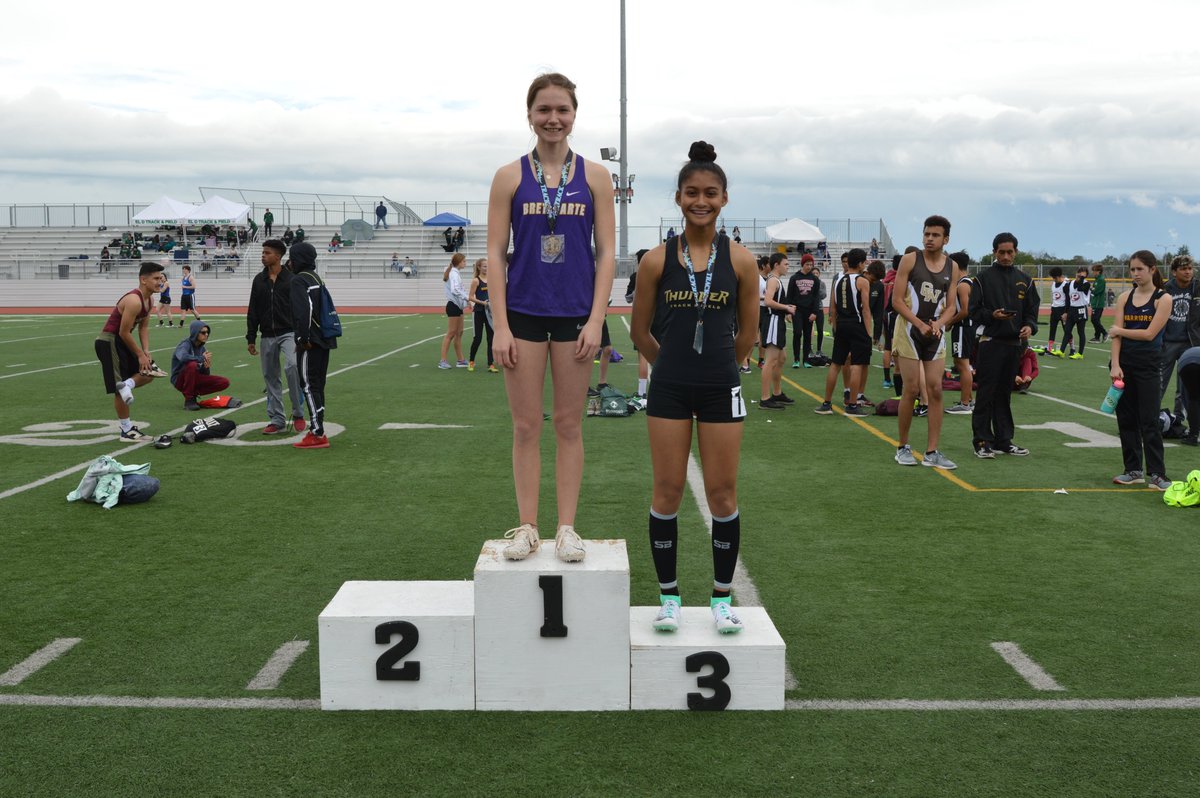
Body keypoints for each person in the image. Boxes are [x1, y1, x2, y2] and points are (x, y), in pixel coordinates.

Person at [485, 72, 616, 562]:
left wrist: (596, 319)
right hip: (521, 313)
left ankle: (566, 527)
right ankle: (526, 526)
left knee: (568, 424)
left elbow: (606, 254)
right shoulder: (509, 176)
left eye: (562, 110)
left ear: (574, 115)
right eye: (544, 110)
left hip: (575, 315)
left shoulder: (596, 177)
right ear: (530, 115)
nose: (553, 119)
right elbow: (495, 254)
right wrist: (499, 324)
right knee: (525, 426)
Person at [629, 141, 758, 634]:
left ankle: (722, 598)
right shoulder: (656, 261)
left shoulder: (742, 261)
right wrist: (672, 367)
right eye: (691, 193)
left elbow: (748, 331)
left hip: (721, 385)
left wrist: (724, 363)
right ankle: (669, 598)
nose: (700, 201)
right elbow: (640, 332)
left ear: (724, 198)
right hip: (669, 389)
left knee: (723, 493)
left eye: (710, 193)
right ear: (678, 198)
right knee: (667, 491)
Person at [891, 215, 961, 469]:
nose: (929, 239)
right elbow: (896, 300)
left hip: (934, 333)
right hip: (910, 330)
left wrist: (939, 324)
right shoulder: (911, 260)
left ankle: (932, 451)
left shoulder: (951, 266)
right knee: (911, 389)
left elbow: (952, 306)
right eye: (926, 234)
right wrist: (919, 323)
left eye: (935, 235)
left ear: (946, 239)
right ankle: (903, 446)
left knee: (935, 389)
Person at [969, 233, 1039, 458]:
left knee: (1004, 395)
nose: (1006, 256)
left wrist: (1030, 326)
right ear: (994, 252)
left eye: (1010, 252)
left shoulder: (1025, 280)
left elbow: (1031, 311)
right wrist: (993, 315)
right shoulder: (982, 278)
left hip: (1014, 345)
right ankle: (981, 441)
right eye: (1002, 252)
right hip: (990, 343)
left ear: (1016, 252)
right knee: (986, 394)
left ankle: (1003, 440)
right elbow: (973, 312)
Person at [1109, 251, 1173, 489]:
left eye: (1140, 269)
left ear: (1152, 269)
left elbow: (1149, 334)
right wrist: (1115, 365)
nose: (1135, 274)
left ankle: (1157, 475)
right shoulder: (1125, 297)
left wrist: (1120, 331)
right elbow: (1115, 337)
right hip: (1124, 365)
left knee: (1149, 421)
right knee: (1126, 419)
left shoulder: (1163, 299)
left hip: (1148, 365)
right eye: (1132, 269)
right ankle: (1133, 470)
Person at [94, 262, 165, 441]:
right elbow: (123, 331)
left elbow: (143, 328)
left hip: (122, 341)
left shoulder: (150, 300)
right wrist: (139, 354)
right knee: (119, 389)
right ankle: (126, 430)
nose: (160, 282)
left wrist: (146, 351)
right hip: (109, 341)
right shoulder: (134, 300)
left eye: (161, 278)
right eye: (156, 278)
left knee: (149, 372)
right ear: (143, 279)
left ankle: (128, 385)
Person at [247, 239, 306, 435]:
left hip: (288, 332)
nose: (263, 255)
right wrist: (250, 337)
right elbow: (253, 309)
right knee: (271, 377)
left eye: (267, 253)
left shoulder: (291, 279)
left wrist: (301, 335)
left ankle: (298, 413)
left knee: (293, 366)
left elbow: (299, 309)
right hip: (266, 335)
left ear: (278, 256)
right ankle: (277, 419)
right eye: (262, 252)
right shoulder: (259, 280)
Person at [289, 242, 337, 449]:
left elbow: (304, 311)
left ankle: (317, 433)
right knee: (317, 385)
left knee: (308, 386)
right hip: (324, 338)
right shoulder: (316, 278)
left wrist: (302, 339)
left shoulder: (300, 280)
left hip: (311, 341)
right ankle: (318, 428)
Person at [814, 248, 873, 416]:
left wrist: (834, 327)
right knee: (856, 365)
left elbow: (833, 307)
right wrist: (869, 332)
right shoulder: (863, 281)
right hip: (857, 324)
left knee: (836, 364)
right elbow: (866, 310)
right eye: (865, 261)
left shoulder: (839, 279)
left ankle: (826, 403)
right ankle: (852, 405)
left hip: (841, 325)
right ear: (860, 263)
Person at [1160, 255, 1197, 418]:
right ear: (1174, 272)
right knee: (1159, 383)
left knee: (1185, 386)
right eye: (1183, 269)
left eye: (1190, 268)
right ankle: (1148, 418)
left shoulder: (1198, 287)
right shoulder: (1165, 289)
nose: (1188, 272)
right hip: (1167, 342)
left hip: (1190, 343)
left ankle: (1178, 419)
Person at [759, 253, 794, 410]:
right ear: (776, 265)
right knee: (771, 361)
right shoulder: (773, 280)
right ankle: (765, 398)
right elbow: (767, 301)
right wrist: (786, 308)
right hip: (773, 321)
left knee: (781, 358)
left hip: (777, 321)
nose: (788, 266)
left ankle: (777, 393)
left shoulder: (776, 280)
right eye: (785, 264)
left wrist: (785, 312)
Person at [170, 321, 230, 411]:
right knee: (192, 365)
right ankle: (189, 399)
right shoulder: (185, 344)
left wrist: (206, 367)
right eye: (203, 332)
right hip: (179, 379)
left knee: (224, 382)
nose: (206, 335)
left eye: (207, 332)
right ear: (195, 333)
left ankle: (192, 394)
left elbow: (205, 374)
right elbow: (183, 357)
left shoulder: (202, 348)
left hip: (193, 378)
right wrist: (201, 358)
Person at [945, 251, 976, 413]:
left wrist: (949, 322)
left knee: (963, 365)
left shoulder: (963, 284)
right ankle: (969, 400)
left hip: (964, 327)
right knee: (961, 364)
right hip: (963, 327)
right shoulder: (963, 282)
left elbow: (964, 311)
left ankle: (965, 404)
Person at [786, 254, 821, 367]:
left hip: (809, 312)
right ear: (802, 264)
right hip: (797, 311)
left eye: (811, 264)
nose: (809, 267)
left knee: (807, 335)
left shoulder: (815, 279)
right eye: (807, 264)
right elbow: (789, 296)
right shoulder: (794, 278)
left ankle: (806, 360)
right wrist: (788, 311)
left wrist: (815, 312)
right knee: (797, 333)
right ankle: (796, 359)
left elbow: (816, 297)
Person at [438, 253, 469, 369]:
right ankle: (443, 360)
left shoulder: (455, 272)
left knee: (459, 333)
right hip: (453, 306)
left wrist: (467, 301)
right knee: (451, 333)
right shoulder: (453, 273)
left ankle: (460, 360)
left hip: (458, 307)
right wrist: (468, 297)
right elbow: (455, 289)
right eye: (464, 261)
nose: (465, 263)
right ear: (459, 262)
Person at [467, 258, 496, 372]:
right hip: (479, 312)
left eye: (488, 266)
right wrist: (483, 303)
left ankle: (491, 364)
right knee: (477, 339)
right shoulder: (476, 280)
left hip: (489, 313)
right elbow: (470, 297)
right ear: (479, 267)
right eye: (484, 266)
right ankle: (471, 361)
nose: (486, 268)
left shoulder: (492, 279)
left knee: (491, 339)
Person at [1064, 265, 1091, 359]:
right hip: (1072, 309)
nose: (1080, 274)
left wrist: (1082, 278)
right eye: (1079, 272)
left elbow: (1080, 288)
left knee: (1080, 332)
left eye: (1083, 273)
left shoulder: (1087, 283)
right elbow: (1067, 295)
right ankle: (1062, 351)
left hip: (1081, 309)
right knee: (1067, 330)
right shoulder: (1071, 283)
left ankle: (1080, 353)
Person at [1044, 267, 1069, 357]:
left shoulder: (1065, 285)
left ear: (1060, 276)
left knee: (1066, 330)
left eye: (1055, 277)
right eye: (1053, 278)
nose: (1054, 279)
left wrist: (1066, 312)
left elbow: (1068, 300)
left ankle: (1072, 349)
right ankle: (1049, 349)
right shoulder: (1053, 284)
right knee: (1052, 329)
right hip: (1054, 310)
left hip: (1062, 310)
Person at [1089, 263, 1108, 342]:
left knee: (1094, 320)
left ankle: (1105, 333)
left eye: (1094, 271)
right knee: (1096, 320)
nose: (1093, 272)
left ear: (1098, 271)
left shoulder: (1101, 280)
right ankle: (1097, 337)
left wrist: (1091, 288)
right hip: (1095, 303)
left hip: (1098, 304)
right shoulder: (1096, 279)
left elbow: (1096, 291)